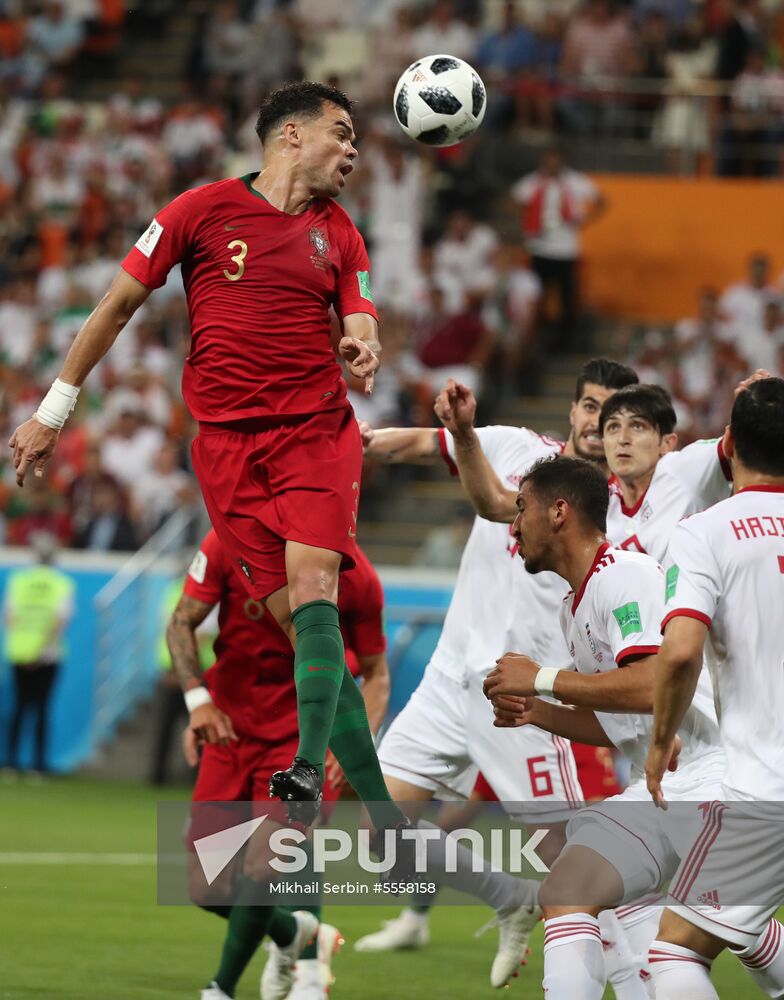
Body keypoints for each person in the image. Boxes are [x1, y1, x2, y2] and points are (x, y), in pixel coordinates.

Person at [9, 81, 403, 832]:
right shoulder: (198, 211)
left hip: (316, 432)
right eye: (341, 133)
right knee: (299, 626)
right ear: (290, 134)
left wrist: (362, 344)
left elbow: (361, 311)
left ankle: (303, 772)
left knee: (316, 585)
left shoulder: (341, 233)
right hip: (226, 449)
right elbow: (116, 306)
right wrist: (53, 411)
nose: (353, 150)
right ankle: (387, 822)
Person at [358, 358, 641, 988]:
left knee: (574, 868)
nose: (602, 423)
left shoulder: (619, 511)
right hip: (448, 677)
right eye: (592, 407)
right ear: (572, 412)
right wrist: (345, 440)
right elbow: (408, 446)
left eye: (618, 415)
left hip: (524, 699)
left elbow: (492, 505)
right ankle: (508, 896)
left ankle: (638, 979)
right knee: (380, 834)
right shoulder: (515, 446)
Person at [482, 454, 782, 1000]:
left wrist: (542, 678)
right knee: (568, 890)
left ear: (559, 511)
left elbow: (652, 685)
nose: (513, 523)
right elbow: (623, 721)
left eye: (521, 507)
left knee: (688, 950)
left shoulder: (627, 575)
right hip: (661, 788)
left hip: (718, 777)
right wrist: (535, 708)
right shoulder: (575, 606)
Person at [170, 530, 390, 1000]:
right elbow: (180, 623)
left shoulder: (358, 577)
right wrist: (197, 701)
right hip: (229, 732)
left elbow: (376, 674)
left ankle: (220, 989)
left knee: (265, 864)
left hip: (297, 740)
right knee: (205, 887)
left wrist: (352, 744)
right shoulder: (227, 542)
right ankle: (296, 934)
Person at [645, 377, 784, 999]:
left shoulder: (704, 532)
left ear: (727, 443)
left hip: (767, 782)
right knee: (740, 927)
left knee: (675, 950)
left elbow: (679, 654)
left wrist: (659, 741)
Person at [511, 148, 606, 348]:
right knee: (537, 296)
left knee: (567, 297)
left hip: (566, 249)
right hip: (539, 247)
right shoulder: (535, 181)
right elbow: (515, 198)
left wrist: (585, 220)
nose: (552, 166)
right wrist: (526, 221)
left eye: (555, 161)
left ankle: (565, 339)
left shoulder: (575, 181)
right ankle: (538, 336)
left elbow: (601, 201)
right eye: (548, 162)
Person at [4, 532, 74, 774]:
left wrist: (25, 649)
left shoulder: (19, 580)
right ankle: (38, 765)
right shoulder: (62, 583)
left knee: (19, 708)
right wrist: (40, 650)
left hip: (19, 653)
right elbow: (60, 621)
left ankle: (11, 763)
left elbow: (10, 617)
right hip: (48, 655)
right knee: (42, 709)